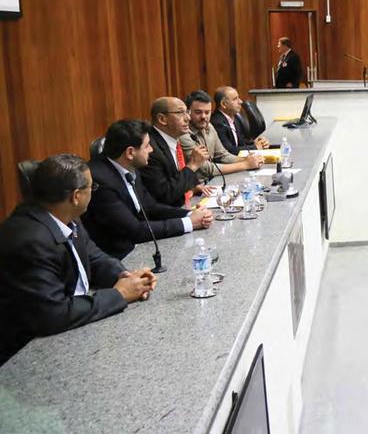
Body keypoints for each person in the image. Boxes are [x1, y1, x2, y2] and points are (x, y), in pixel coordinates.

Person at [0, 154, 157, 365]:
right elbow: (53, 314)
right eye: (91, 188)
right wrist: (119, 294)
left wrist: (126, 277)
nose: (93, 192)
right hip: (27, 356)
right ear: (76, 196)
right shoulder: (30, 240)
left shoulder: (66, 216)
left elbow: (93, 256)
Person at [82, 120, 214, 260]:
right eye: (147, 146)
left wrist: (189, 214)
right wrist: (189, 223)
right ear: (130, 152)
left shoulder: (128, 165)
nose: (151, 150)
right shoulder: (100, 181)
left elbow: (149, 207)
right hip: (119, 258)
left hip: (138, 248)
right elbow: (135, 231)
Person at [139, 97, 212, 208]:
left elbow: (173, 177)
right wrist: (192, 165)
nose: (188, 118)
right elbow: (164, 195)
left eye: (187, 112)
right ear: (162, 119)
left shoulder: (172, 138)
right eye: (180, 113)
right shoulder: (150, 149)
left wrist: (191, 186)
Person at [179, 90, 264, 181]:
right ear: (188, 113)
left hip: (213, 182)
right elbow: (207, 169)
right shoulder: (183, 134)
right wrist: (245, 164)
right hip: (197, 188)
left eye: (207, 112)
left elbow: (222, 155)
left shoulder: (209, 126)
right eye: (198, 112)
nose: (204, 117)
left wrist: (247, 159)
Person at [211, 86, 270, 156]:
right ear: (223, 104)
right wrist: (255, 147)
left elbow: (241, 143)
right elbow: (228, 150)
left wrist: (257, 143)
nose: (240, 101)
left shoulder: (235, 118)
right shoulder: (217, 123)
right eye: (235, 99)